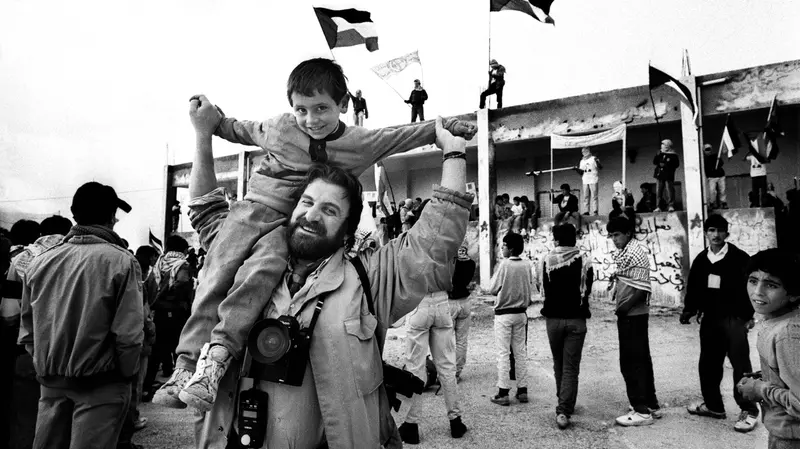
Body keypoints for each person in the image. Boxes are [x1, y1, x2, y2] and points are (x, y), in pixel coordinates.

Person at [152, 58, 476, 412]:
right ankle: (189, 365)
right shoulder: (276, 136)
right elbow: (233, 139)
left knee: (258, 273)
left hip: (334, 427)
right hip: (252, 214)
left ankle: (214, 357)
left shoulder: (365, 274)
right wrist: (206, 128)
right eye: (301, 109)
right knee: (218, 276)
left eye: (330, 208)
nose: (311, 120)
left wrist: (451, 138)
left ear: (344, 105)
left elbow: (406, 140)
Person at [186, 109, 472, 448]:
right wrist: (203, 135)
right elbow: (206, 210)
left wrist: (453, 154)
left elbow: (434, 242)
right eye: (306, 202)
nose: (311, 214)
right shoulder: (249, 257)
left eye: (330, 210)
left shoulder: (370, 277)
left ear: (347, 233)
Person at [19, 182, 143, 449]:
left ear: (74, 215)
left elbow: (28, 333)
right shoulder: (121, 261)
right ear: (112, 218)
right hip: (102, 385)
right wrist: (126, 375)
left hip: (51, 384)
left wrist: (50, 366)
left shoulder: (39, 262)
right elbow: (129, 335)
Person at [680, 214, 759, 432]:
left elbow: (751, 287)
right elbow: (694, 287)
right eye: (711, 230)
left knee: (741, 366)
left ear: (727, 233)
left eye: (720, 230)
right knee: (708, 364)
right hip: (710, 319)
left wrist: (748, 316)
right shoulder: (701, 259)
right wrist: (689, 309)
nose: (716, 235)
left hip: (734, 319)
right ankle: (714, 406)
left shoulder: (740, 258)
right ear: (705, 233)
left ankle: (749, 410)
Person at [4, 215, 72, 449]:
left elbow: (9, 313)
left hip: (28, 351)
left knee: (26, 421)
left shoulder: (22, 259)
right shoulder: (79, 256)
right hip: (71, 354)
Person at [737, 249, 800, 449]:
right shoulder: (774, 320)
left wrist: (760, 389)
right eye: (753, 280)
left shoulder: (787, 333)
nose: (757, 292)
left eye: (771, 285)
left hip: (791, 437)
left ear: (794, 294)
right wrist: (766, 376)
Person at [606, 217, 661, 426]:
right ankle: (650, 404)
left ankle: (641, 410)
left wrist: (624, 308)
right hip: (634, 313)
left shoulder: (634, 251)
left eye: (617, 235)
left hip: (633, 314)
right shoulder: (627, 251)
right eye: (611, 236)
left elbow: (641, 287)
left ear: (628, 233)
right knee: (642, 359)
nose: (614, 239)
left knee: (630, 362)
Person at [537, 223, 593, 429]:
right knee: (571, 367)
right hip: (576, 320)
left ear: (557, 240)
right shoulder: (584, 260)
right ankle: (564, 407)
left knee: (558, 362)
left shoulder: (546, 261)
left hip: (553, 320)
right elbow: (587, 290)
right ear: (574, 239)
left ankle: (564, 401)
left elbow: (541, 287)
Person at [398, 285, 468, 444]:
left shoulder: (416, 257)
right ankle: (456, 421)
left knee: (415, 367)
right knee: (447, 366)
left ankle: (411, 424)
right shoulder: (445, 257)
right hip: (443, 302)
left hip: (419, 301)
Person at [487, 232, 532, 406]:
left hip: (504, 314)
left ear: (510, 248)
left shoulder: (504, 265)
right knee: (520, 352)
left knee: (503, 353)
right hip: (521, 313)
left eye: (504, 246)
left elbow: (492, 289)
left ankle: (503, 391)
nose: (502, 248)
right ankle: (522, 390)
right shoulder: (527, 264)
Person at [150, 236, 193, 380]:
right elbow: (181, 285)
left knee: (158, 344)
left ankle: (147, 385)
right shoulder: (182, 265)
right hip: (177, 311)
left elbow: (150, 286)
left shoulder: (159, 263)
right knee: (179, 343)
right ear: (183, 249)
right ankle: (178, 379)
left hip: (158, 309)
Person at [448, 246, 476, 380]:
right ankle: (457, 371)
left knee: (446, 339)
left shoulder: (450, 262)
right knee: (461, 340)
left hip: (450, 303)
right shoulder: (471, 263)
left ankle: (447, 371)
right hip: (465, 302)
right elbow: (468, 282)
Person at [653, 139, 680, 212]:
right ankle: (658, 206)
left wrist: (666, 165)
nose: (662, 146)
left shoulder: (673, 155)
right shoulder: (660, 153)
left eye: (664, 144)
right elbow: (655, 162)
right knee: (659, 191)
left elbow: (676, 164)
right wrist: (657, 156)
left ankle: (670, 205)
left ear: (668, 145)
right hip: (660, 175)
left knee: (669, 190)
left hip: (668, 175)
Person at [575, 147, 601, 215]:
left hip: (593, 179)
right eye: (582, 151)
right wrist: (576, 169)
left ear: (588, 151)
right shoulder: (582, 161)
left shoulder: (593, 158)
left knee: (594, 196)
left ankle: (595, 211)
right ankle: (586, 211)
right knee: (586, 196)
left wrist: (597, 161)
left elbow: (600, 167)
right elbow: (581, 172)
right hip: (585, 180)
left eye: (585, 151)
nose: (583, 152)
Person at [703, 143, 727, 209]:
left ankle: (724, 203)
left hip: (720, 175)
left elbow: (721, 163)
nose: (708, 151)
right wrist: (708, 176)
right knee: (712, 191)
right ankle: (712, 203)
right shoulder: (703, 159)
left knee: (722, 190)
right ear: (704, 151)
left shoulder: (716, 156)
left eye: (709, 149)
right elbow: (705, 169)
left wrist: (718, 160)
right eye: (706, 149)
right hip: (711, 177)